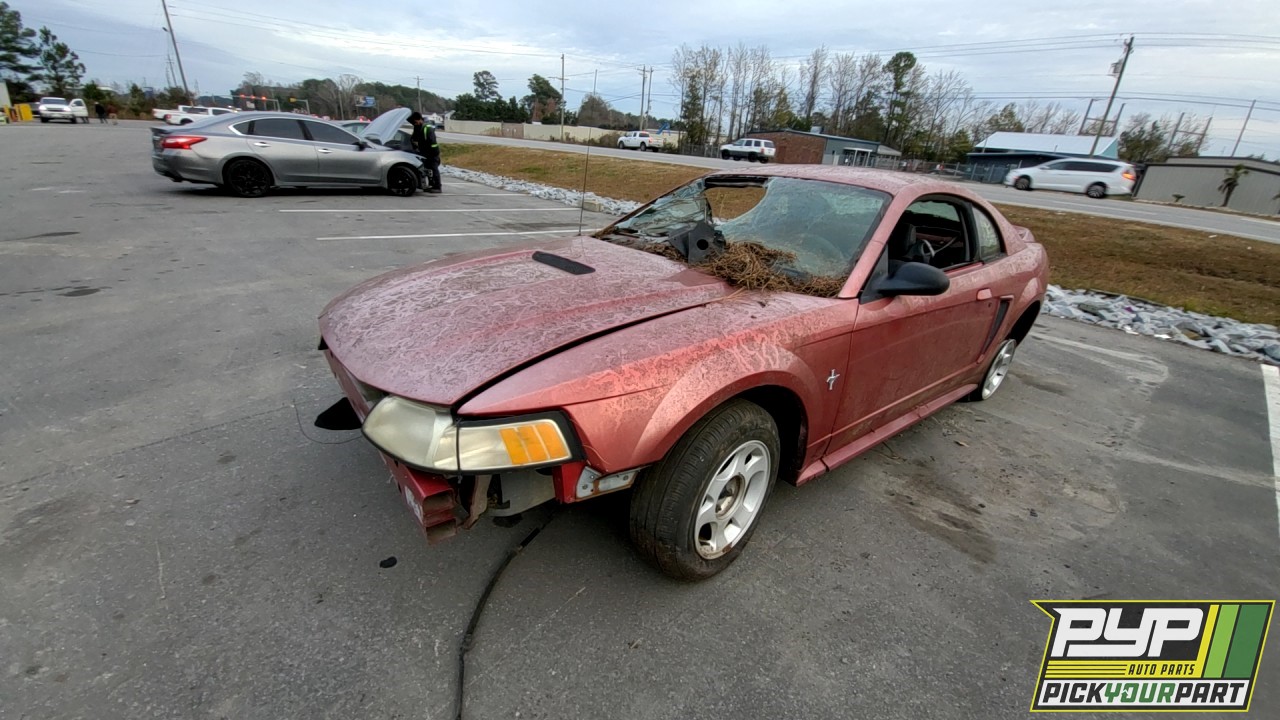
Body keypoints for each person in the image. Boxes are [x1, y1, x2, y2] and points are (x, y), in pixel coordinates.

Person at [407, 111, 442, 193]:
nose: (415, 124)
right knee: (429, 170)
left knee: (434, 169)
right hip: (425, 152)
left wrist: (433, 154)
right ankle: (431, 185)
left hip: (432, 153)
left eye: (415, 122)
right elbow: (414, 138)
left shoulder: (427, 128)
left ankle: (437, 187)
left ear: (419, 119)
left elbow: (432, 142)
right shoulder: (418, 127)